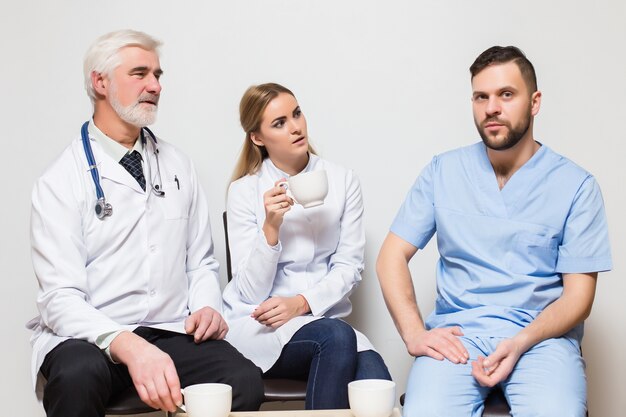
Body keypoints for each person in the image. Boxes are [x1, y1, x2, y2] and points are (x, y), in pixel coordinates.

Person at [26, 29, 264, 417]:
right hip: (90, 336)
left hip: (170, 329)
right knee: (76, 377)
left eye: (158, 75)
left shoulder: (177, 165)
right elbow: (59, 298)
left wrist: (206, 306)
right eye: (140, 74)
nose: (155, 85)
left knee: (242, 379)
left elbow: (200, 262)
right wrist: (126, 343)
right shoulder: (60, 180)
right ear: (99, 82)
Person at [377, 46, 612, 417]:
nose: (491, 108)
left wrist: (521, 341)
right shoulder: (444, 172)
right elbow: (391, 255)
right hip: (458, 340)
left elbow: (578, 298)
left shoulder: (576, 186)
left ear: (534, 102)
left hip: (541, 341)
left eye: (506, 94)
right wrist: (414, 333)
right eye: (481, 97)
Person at [222, 83, 391, 410]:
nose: (296, 127)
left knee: (377, 385)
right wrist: (270, 227)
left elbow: (349, 267)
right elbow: (250, 293)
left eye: (296, 113)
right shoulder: (244, 191)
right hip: (260, 325)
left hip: (321, 319)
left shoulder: (343, 180)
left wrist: (301, 303)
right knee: (336, 338)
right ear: (257, 138)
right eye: (279, 123)